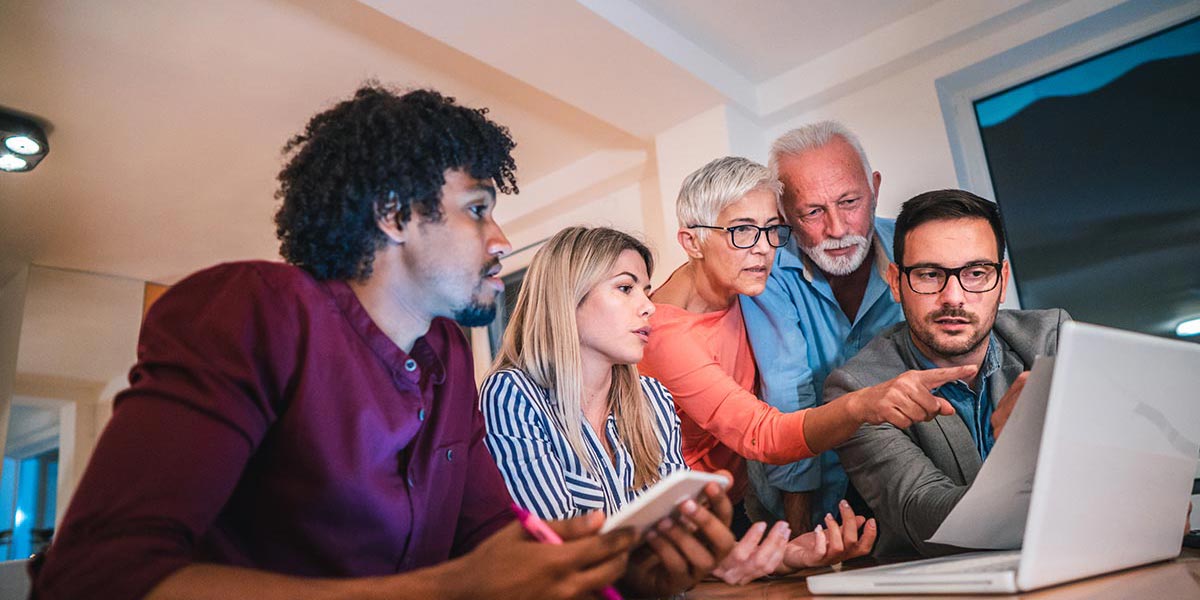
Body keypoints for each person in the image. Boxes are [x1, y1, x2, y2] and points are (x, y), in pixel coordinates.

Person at [31, 85, 727, 600]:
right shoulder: (253, 310)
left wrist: (628, 575)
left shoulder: (449, 358)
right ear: (394, 214)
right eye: (479, 209)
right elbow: (94, 577)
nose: (501, 240)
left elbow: (492, 541)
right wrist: (451, 590)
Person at [483, 226, 874, 586]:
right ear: (567, 298)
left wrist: (781, 556)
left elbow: (682, 539)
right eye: (625, 288)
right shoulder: (513, 396)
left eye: (646, 289)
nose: (649, 305)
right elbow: (563, 559)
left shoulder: (652, 400)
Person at [642, 157, 973, 580]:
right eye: (742, 231)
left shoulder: (740, 285)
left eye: (771, 229)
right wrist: (862, 406)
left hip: (734, 497)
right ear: (692, 242)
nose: (763, 248)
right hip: (682, 521)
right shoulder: (666, 333)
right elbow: (762, 434)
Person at [822, 189, 1070, 558]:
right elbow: (929, 520)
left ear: (1001, 280)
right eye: (928, 274)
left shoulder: (1054, 340)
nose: (953, 296)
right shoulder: (858, 392)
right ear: (896, 282)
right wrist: (1021, 452)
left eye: (975, 272)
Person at [740, 121, 904, 531]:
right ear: (784, 217)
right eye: (812, 212)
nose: (837, 228)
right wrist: (800, 534)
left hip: (906, 476)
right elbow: (788, 391)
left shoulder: (913, 248)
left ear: (875, 189)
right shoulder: (768, 270)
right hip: (806, 494)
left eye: (850, 201)